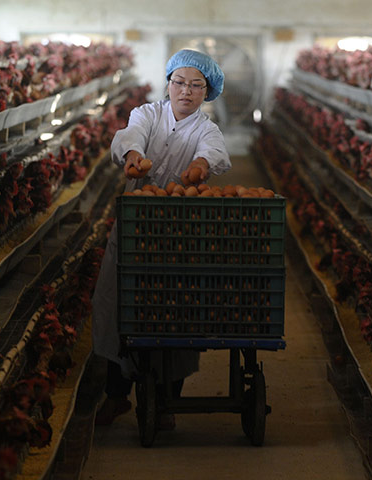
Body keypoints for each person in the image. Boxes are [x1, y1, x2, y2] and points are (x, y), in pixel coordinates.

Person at [92, 49, 231, 426]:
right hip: (137, 223)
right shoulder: (147, 115)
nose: (186, 91)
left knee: (176, 313)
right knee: (122, 306)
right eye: (179, 82)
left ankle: (167, 402)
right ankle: (117, 394)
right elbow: (129, 136)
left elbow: (214, 153)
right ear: (168, 84)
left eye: (196, 85)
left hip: (181, 232)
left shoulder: (207, 130)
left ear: (208, 91)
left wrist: (201, 166)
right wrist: (134, 155)